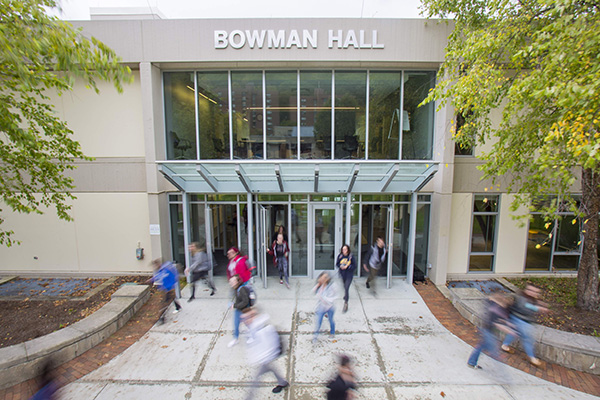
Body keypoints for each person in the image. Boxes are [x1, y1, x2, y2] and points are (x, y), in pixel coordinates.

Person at [242, 307, 289, 399]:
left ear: (253, 317)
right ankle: (283, 382)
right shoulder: (252, 327)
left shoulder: (264, 329)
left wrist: (262, 358)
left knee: (254, 382)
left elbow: (271, 344)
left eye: (247, 318)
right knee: (272, 369)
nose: (244, 321)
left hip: (264, 358)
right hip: (264, 359)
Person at [501, 284, 548, 367]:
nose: (532, 293)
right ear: (526, 290)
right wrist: (538, 308)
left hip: (518, 318)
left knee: (514, 332)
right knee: (527, 338)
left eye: (535, 291)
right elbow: (525, 306)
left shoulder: (529, 298)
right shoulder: (522, 298)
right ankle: (532, 358)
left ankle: (505, 345)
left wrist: (539, 304)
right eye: (530, 290)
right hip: (519, 319)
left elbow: (530, 303)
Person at [467, 293, 514, 369]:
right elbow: (496, 323)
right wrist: (509, 330)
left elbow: (502, 320)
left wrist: (509, 324)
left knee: (482, 347)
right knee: (493, 351)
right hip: (487, 331)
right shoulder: (496, 308)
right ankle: (472, 362)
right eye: (506, 301)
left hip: (490, 331)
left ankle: (472, 362)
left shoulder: (502, 309)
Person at [148, 258, 182, 324]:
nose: (155, 267)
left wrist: (172, 286)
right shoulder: (160, 271)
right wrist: (151, 280)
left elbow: (172, 278)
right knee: (170, 299)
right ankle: (178, 306)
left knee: (164, 304)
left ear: (158, 264)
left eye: (155, 265)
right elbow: (157, 277)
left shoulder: (166, 270)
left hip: (169, 288)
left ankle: (162, 318)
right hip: (166, 289)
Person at [228, 274, 252, 348]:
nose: (231, 283)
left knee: (248, 324)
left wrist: (234, 305)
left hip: (244, 310)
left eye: (232, 281)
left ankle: (253, 336)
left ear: (237, 282)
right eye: (230, 281)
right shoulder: (235, 289)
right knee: (236, 324)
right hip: (239, 310)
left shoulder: (241, 289)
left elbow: (245, 301)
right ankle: (235, 338)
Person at [313, 272, 337, 343]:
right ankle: (315, 336)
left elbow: (332, 298)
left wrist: (322, 298)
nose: (323, 279)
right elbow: (314, 292)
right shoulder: (319, 286)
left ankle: (332, 332)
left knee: (331, 320)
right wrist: (318, 286)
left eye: (325, 278)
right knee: (318, 322)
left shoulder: (332, 286)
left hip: (330, 307)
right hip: (322, 307)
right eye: (322, 277)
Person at [336, 244, 356, 313]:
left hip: (349, 275)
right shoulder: (340, 256)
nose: (344, 251)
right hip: (343, 274)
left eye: (345, 249)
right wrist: (340, 266)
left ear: (348, 250)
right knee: (345, 286)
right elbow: (337, 264)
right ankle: (345, 295)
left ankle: (346, 303)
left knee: (347, 287)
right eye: (343, 249)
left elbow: (354, 265)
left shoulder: (351, 257)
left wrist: (348, 266)